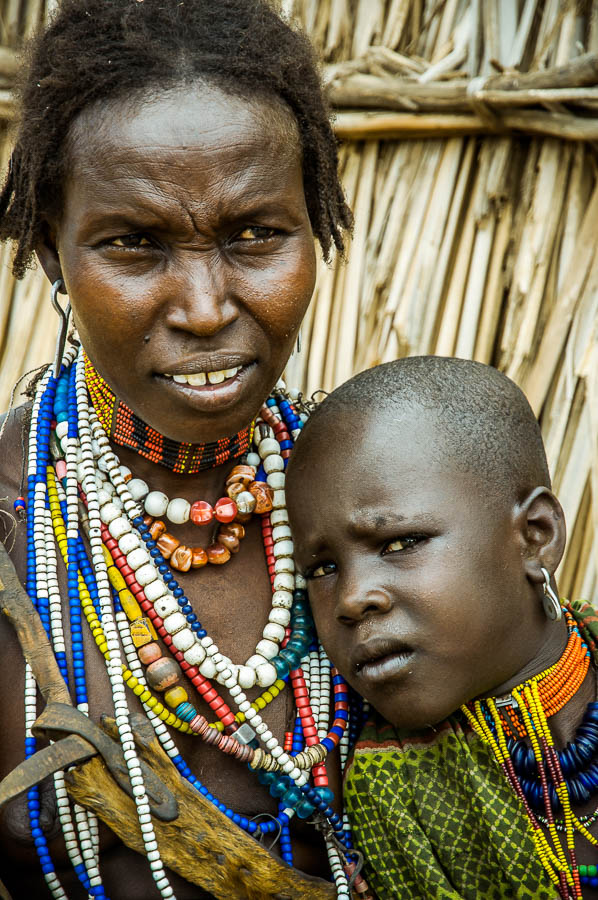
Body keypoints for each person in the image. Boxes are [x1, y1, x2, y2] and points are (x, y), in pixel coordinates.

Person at [0, 2, 368, 898]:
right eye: (134, 244)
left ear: (313, 229)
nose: (204, 307)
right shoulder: (12, 525)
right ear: (53, 252)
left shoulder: (384, 493)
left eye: (254, 236)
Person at [287, 355, 598, 900]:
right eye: (322, 569)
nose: (353, 599)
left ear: (536, 536)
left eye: (401, 543)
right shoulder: (388, 800)